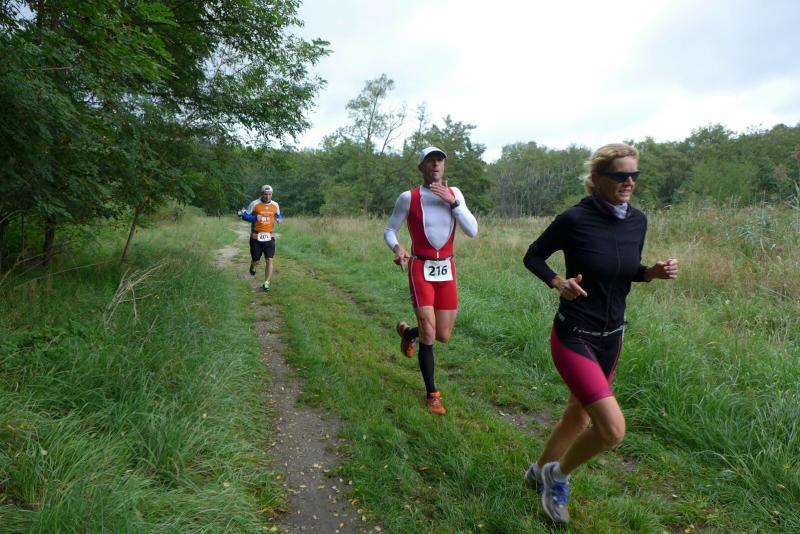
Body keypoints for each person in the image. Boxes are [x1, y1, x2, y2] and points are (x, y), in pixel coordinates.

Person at [521, 143, 678, 524]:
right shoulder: (574, 219)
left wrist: (650, 273)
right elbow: (533, 255)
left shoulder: (637, 221)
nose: (629, 182)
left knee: (578, 418)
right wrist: (558, 282)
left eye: (634, 175)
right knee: (612, 430)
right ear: (596, 178)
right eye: (620, 175)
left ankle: (537, 472)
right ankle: (558, 476)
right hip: (574, 334)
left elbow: (625, 269)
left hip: (612, 337)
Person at [384, 146, 478, 415]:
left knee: (442, 335)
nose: (436, 164)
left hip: (447, 268)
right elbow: (390, 230)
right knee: (429, 330)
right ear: (421, 167)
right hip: (420, 267)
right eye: (430, 161)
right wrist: (397, 248)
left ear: (444, 166)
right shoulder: (408, 197)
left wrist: (453, 203)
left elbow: (472, 231)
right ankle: (432, 395)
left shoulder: (455, 193)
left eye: (440, 161)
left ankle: (407, 333)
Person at [239, 184, 283, 291]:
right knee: (256, 260)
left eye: (269, 194)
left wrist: (279, 219)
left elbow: (278, 214)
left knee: (269, 259)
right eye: (265, 194)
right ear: (262, 194)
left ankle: (266, 282)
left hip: (269, 236)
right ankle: (253, 265)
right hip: (256, 236)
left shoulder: (275, 205)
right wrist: (255, 218)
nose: (267, 196)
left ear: (272, 194)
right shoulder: (254, 204)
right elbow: (245, 216)